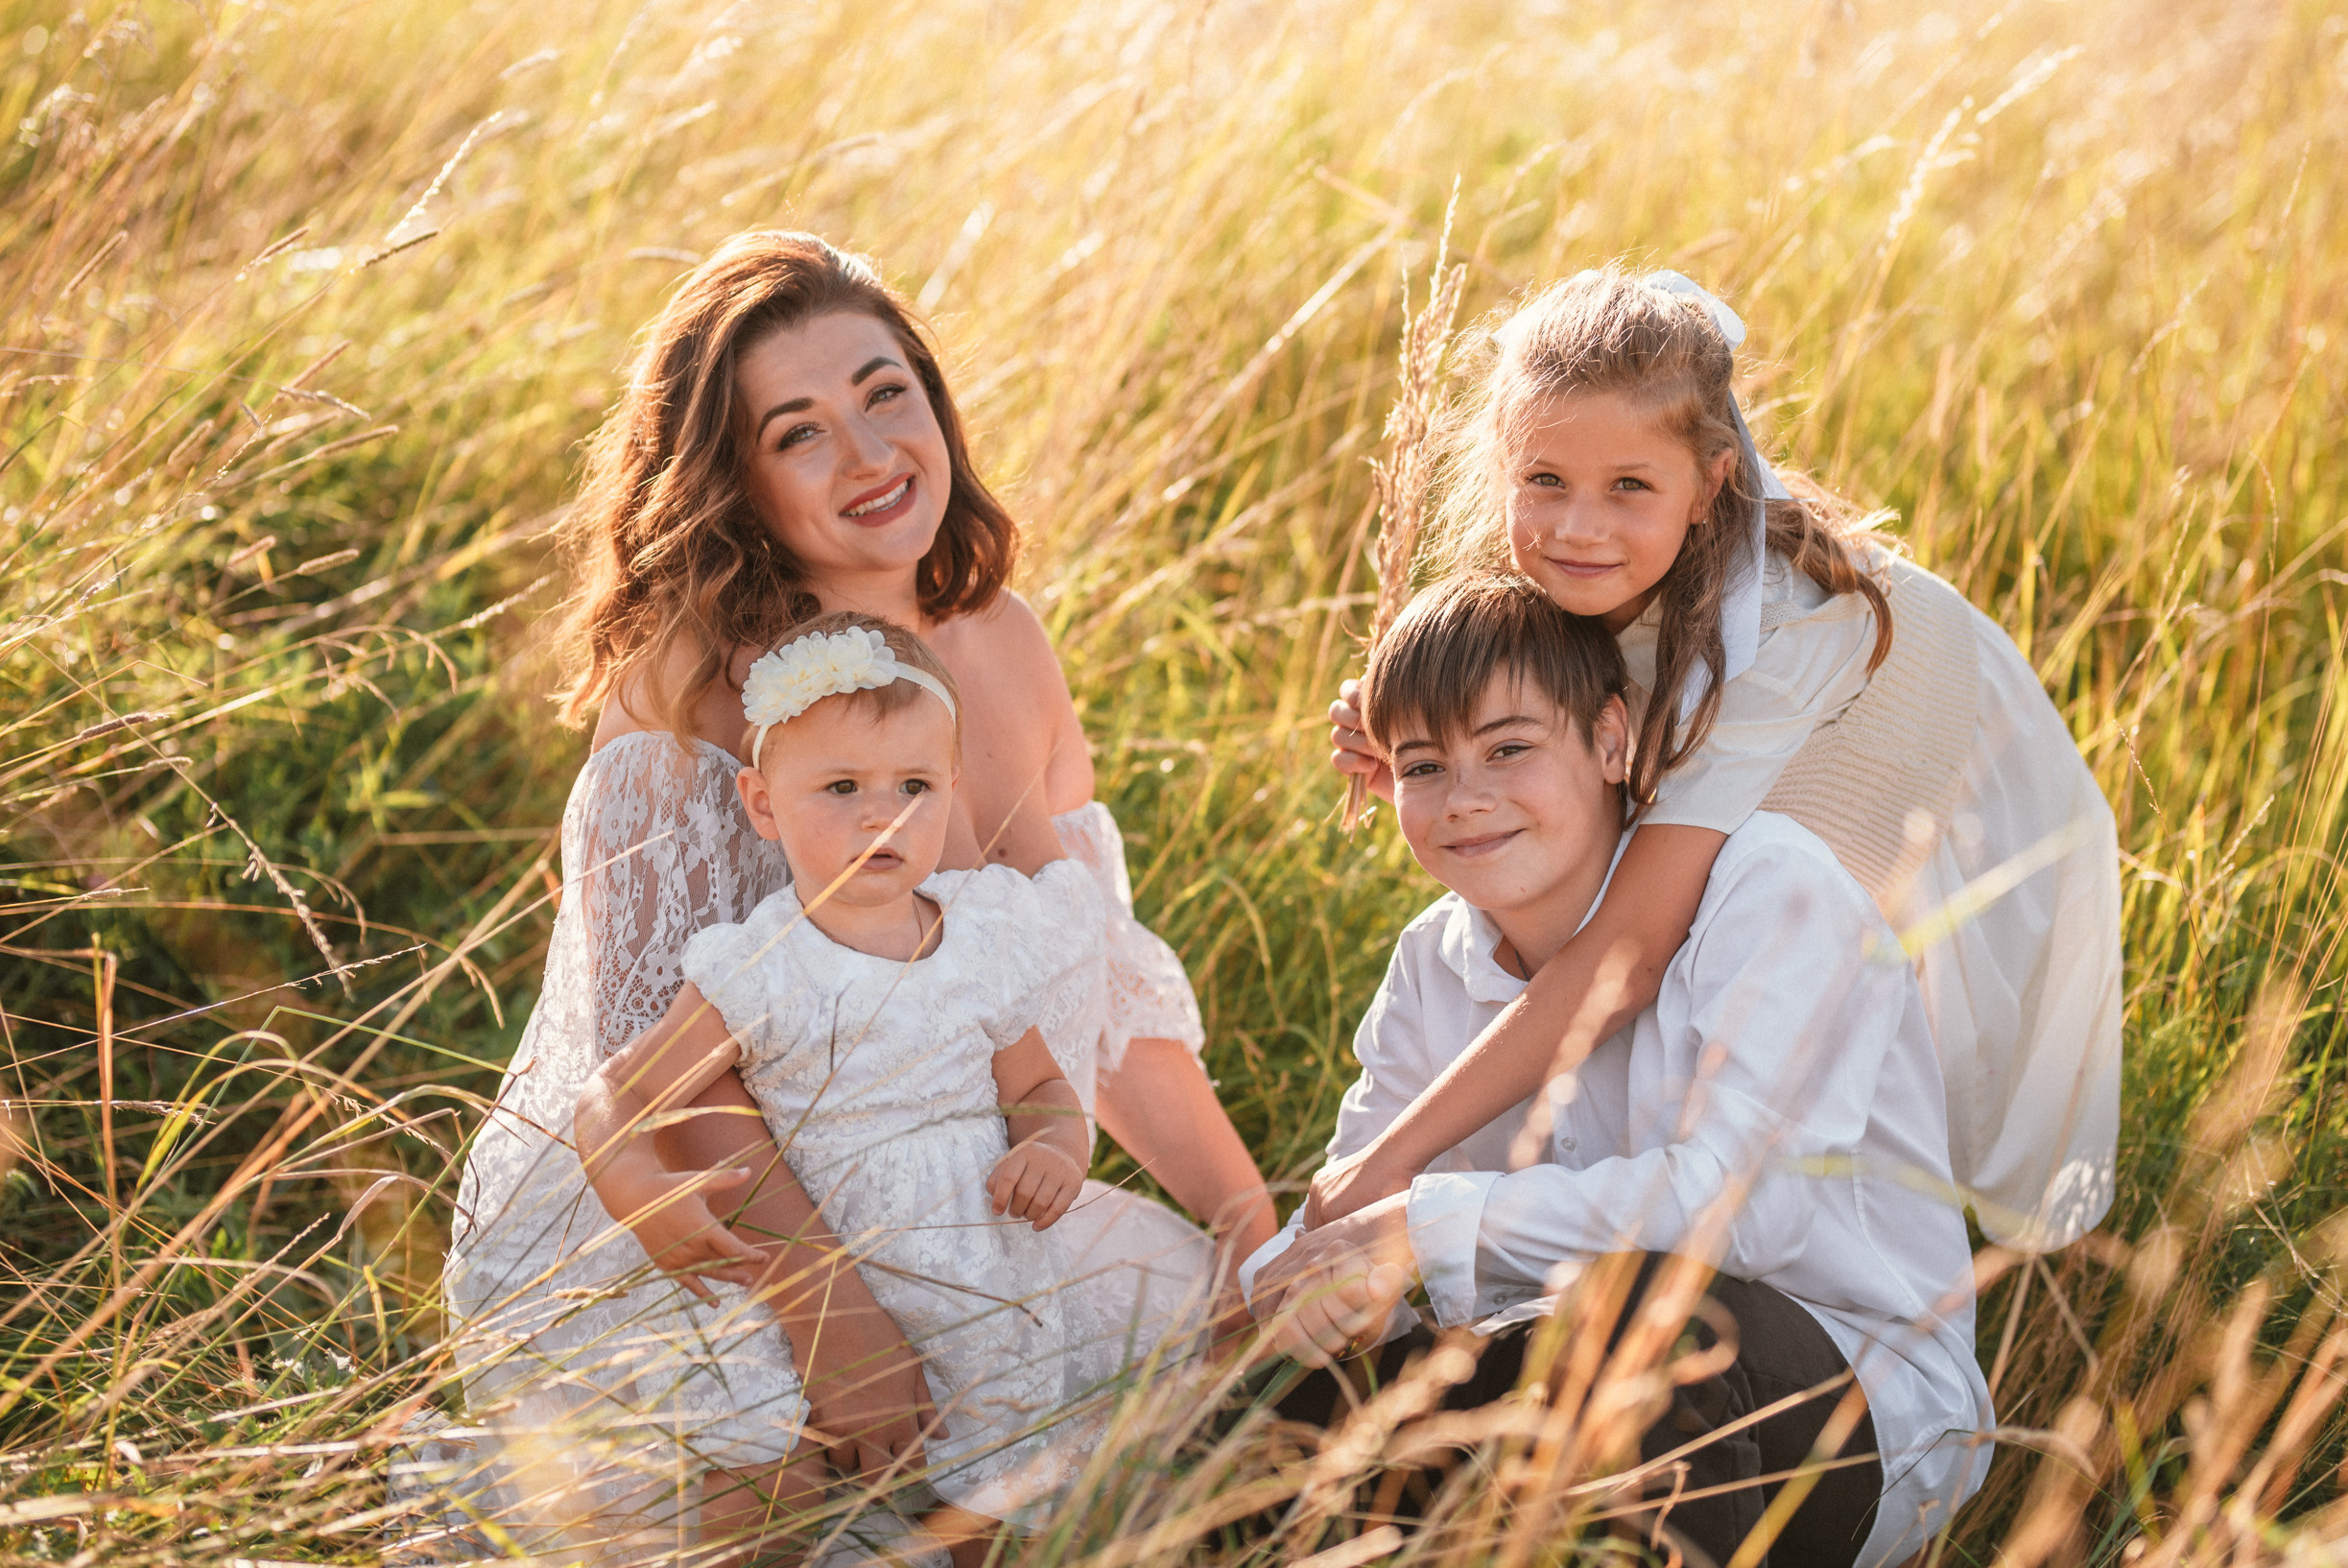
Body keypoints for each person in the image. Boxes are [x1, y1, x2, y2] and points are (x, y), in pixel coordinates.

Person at [442, 231, 1275, 1561]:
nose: (870, 452)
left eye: (886, 393)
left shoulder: (1004, 639)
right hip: (717, 1227)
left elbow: (1090, 980)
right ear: (740, 485)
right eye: (801, 431)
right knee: (774, 1487)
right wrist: (837, 1324)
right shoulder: (691, 686)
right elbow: (668, 1068)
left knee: (1232, 1396)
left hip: (951, 1192)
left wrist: (1249, 1229)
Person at [1318, 266, 2121, 1252]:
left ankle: (1869, 1268)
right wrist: (1414, 730)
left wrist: (1388, 1162)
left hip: (1912, 738)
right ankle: (1633, 1210)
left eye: (1628, 487)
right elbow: (1532, 690)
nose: (1577, 524)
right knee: (1717, 945)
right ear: (1503, 469)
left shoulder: (1787, 635)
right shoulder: (1585, 562)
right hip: (1765, 727)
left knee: (1801, 966)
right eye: (1544, 481)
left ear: (1708, 486)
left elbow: (1627, 953)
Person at [1250, 573, 1993, 1567]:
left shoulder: (1769, 887)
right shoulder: (1431, 963)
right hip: (1546, 1372)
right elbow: (1349, 1227)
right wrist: (1310, 1297)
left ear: (1607, 739)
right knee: (1268, 1415)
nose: (1464, 798)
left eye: (1508, 747)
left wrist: (1427, 1230)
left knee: (1647, 1312)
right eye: (1423, 765)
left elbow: (1746, 1215)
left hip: (1842, 1405)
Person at [578, 615, 1122, 1566]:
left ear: (948, 790)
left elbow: (1036, 1080)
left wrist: (1053, 1146)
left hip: (968, 1256)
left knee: (1001, 1474)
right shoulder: (758, 966)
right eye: (840, 788)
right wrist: (629, 1181)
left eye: (913, 786)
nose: (885, 816)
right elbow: (621, 1091)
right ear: (761, 802)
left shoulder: (976, 939)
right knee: (756, 1459)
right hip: (818, 1263)